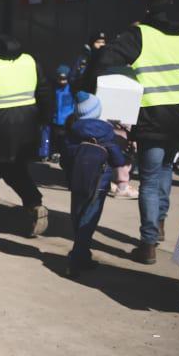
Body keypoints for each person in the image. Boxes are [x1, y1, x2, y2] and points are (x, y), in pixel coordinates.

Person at [83, 0, 179, 264]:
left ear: (150, 10)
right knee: (166, 170)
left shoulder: (141, 34)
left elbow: (105, 59)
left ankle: (148, 243)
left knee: (149, 179)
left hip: (153, 115)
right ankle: (159, 223)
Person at [0, 34, 53, 235]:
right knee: (17, 170)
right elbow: (44, 92)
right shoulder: (30, 61)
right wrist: (45, 119)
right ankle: (35, 204)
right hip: (26, 128)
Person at [60, 93, 126, 278]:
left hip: (77, 179)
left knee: (78, 215)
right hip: (99, 182)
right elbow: (118, 158)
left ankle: (83, 255)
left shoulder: (72, 131)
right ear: (97, 112)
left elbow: (65, 158)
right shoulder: (106, 131)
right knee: (89, 219)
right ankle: (76, 258)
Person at [49, 64, 75, 161]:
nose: (62, 81)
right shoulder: (54, 88)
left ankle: (64, 154)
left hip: (67, 120)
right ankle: (55, 153)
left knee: (65, 139)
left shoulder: (71, 88)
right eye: (60, 79)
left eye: (64, 79)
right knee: (56, 138)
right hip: (55, 119)